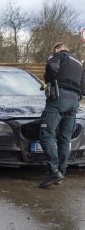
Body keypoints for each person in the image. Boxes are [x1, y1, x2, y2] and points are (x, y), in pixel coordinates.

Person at [38, 43, 85, 188]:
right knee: (65, 138)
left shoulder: (57, 55)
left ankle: (53, 171)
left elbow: (52, 67)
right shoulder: (78, 63)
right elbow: (83, 85)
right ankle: (61, 172)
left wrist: (50, 81)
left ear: (57, 49)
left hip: (59, 98)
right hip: (74, 102)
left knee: (46, 134)